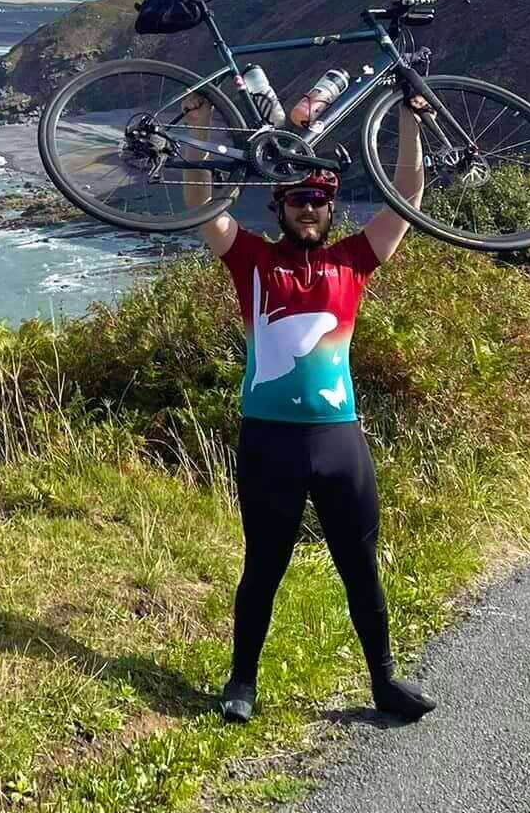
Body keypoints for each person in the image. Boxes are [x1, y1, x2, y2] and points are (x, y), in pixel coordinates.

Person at [181, 88, 436, 725]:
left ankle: (384, 683)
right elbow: (200, 209)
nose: (310, 210)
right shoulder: (252, 261)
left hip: (338, 440)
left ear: (330, 211)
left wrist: (409, 120)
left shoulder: (354, 261)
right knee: (262, 565)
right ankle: (242, 681)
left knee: (359, 564)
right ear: (281, 207)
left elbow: (408, 195)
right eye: (298, 200)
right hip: (269, 441)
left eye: (320, 201)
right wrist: (198, 131)